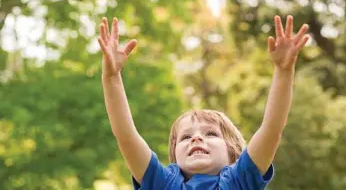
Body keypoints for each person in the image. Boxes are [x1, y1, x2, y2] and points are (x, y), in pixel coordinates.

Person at [97, 15, 310, 189]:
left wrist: (283, 72)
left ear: (233, 152)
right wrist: (111, 78)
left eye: (211, 134)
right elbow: (126, 135)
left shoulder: (238, 181)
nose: (196, 138)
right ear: (175, 156)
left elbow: (272, 128)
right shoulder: (164, 184)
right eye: (185, 137)